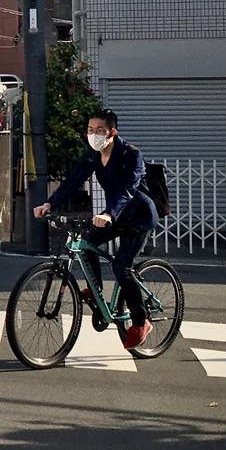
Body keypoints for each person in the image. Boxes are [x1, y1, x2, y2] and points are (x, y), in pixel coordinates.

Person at [34, 109, 159, 351]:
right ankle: (95, 290)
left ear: (113, 132)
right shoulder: (93, 155)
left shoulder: (131, 154)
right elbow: (72, 180)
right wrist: (50, 203)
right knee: (86, 243)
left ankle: (141, 321)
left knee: (122, 265)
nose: (94, 135)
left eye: (99, 131)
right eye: (90, 130)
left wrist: (108, 214)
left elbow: (128, 190)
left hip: (138, 216)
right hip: (113, 215)